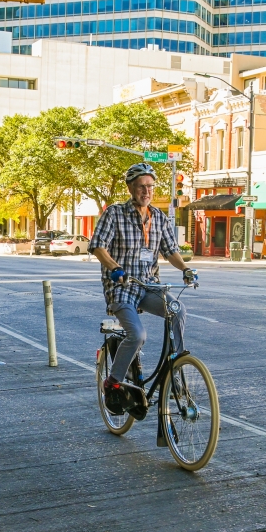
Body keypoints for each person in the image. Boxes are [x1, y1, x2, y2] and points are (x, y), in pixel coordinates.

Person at [89, 163, 196, 420]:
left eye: (150, 186)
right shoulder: (114, 214)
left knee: (177, 309)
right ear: (131, 188)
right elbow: (97, 246)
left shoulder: (158, 217)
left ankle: (176, 367)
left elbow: (170, 251)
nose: (146, 191)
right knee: (137, 335)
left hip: (149, 286)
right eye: (141, 186)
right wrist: (115, 267)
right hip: (122, 287)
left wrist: (185, 269)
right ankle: (113, 382)